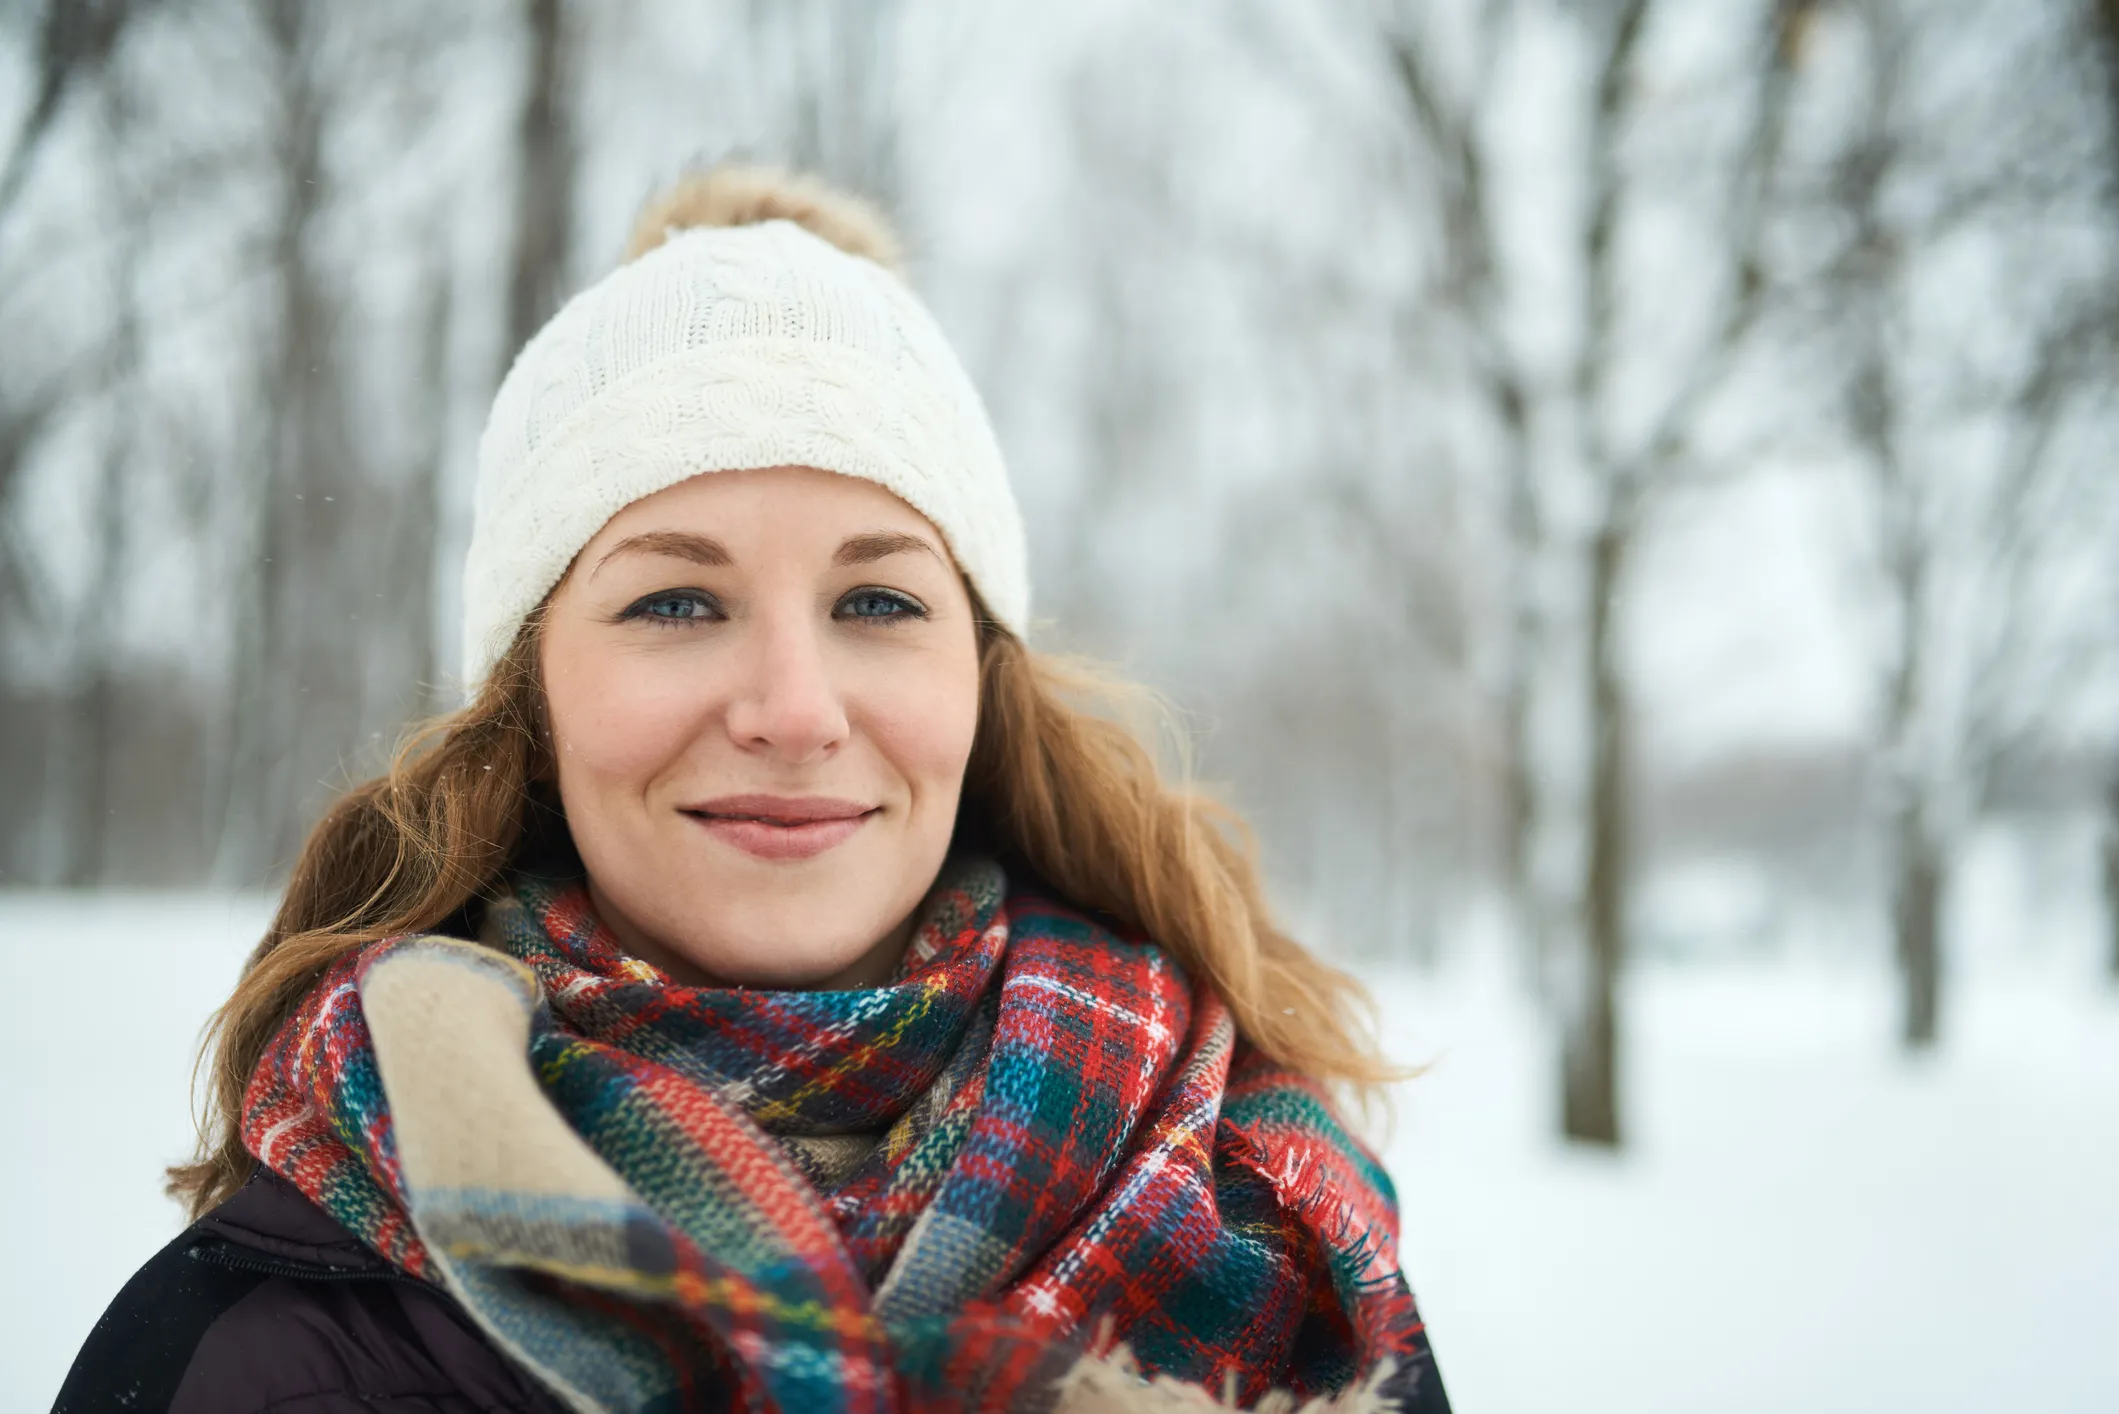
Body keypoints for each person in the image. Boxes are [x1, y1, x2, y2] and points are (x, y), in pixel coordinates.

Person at [56, 167, 1449, 1414]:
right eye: (674, 598)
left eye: (876, 599)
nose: (792, 709)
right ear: (528, 700)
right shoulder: (266, 1341)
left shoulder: (1265, 1239)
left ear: (980, 676)